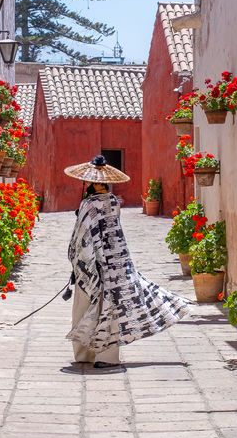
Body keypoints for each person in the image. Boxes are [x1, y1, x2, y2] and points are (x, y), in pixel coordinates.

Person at [64, 154, 190, 368]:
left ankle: (87, 354)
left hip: (91, 267)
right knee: (110, 308)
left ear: (92, 183)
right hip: (116, 263)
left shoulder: (88, 206)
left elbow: (81, 238)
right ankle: (107, 355)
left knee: (85, 308)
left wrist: (77, 262)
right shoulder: (113, 202)